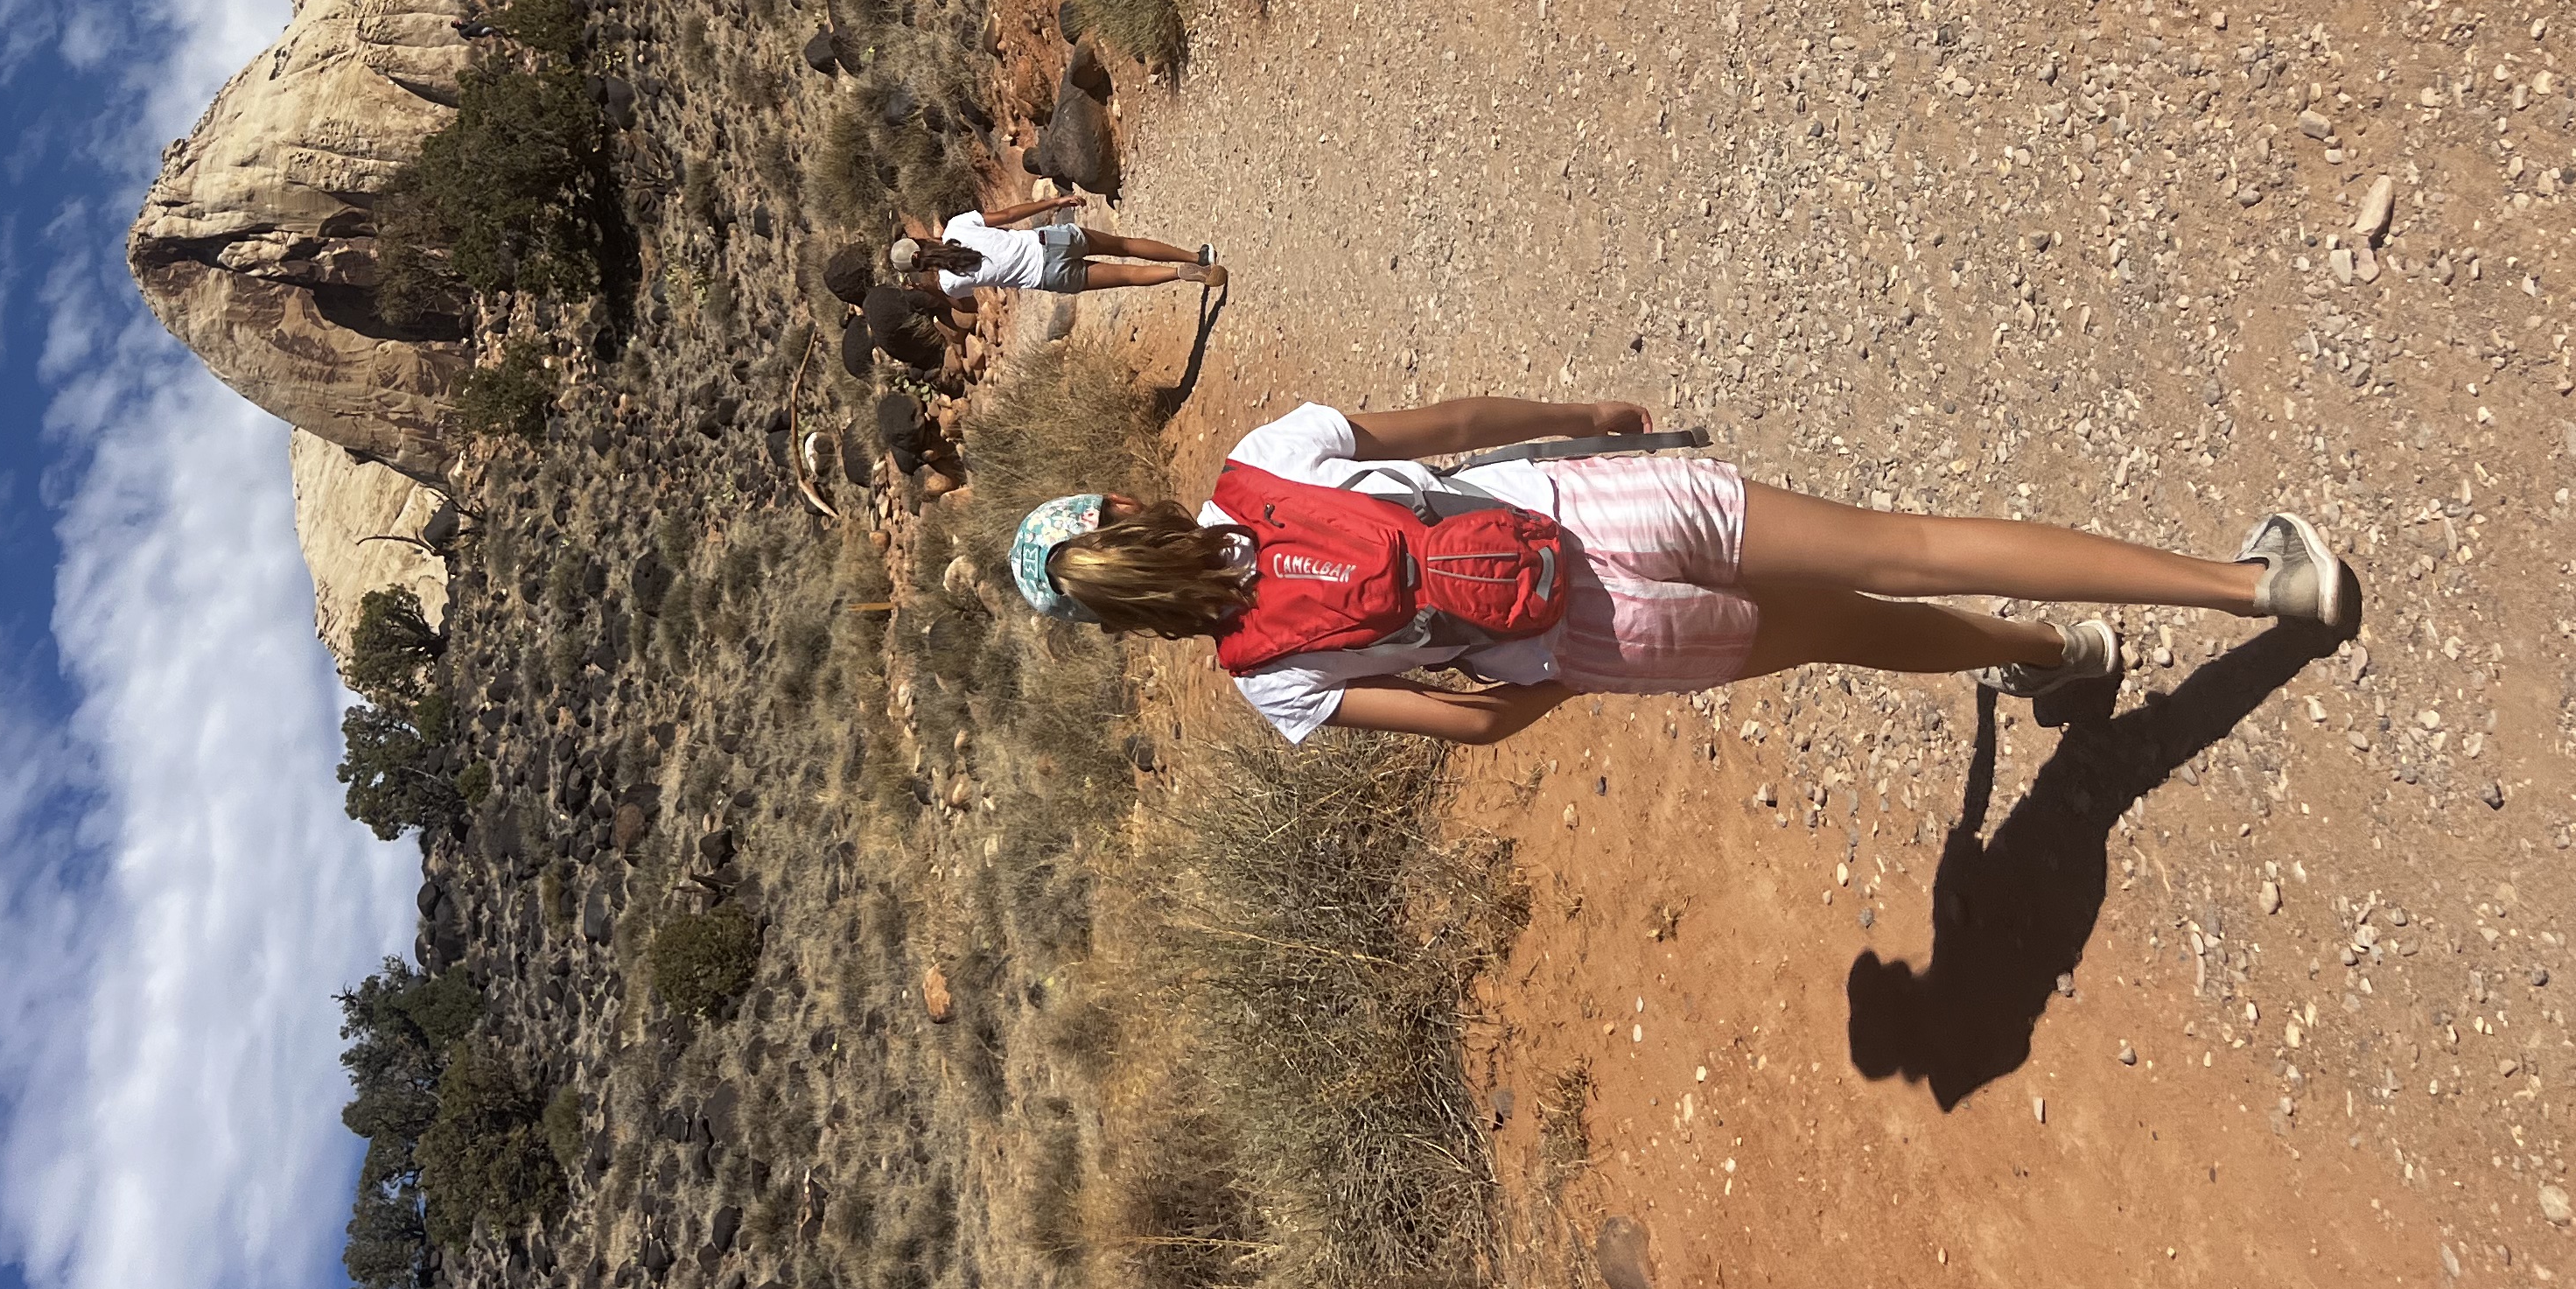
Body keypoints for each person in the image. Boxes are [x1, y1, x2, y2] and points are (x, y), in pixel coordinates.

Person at [1004, 393, 2353, 746]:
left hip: (1590, 639)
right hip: (1605, 507)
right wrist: (1586, 417)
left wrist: (1564, 671)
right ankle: (2252, 591)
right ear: (1126, 507)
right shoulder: (1266, 459)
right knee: (1907, 543)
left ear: (1130, 625)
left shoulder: (1265, 680)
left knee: (1853, 635)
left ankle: (2055, 658)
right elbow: (1461, 427)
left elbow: (1469, 723)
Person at [891, 198, 1225, 298]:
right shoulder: (957, 227)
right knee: (1124, 245)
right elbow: (1008, 215)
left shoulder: (950, 284)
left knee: (1128, 275)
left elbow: (964, 304)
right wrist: (1056, 201)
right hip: (1050, 241)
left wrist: (929, 287)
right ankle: (1195, 257)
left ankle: (1178, 275)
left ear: (920, 269)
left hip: (1049, 276)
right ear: (920, 240)